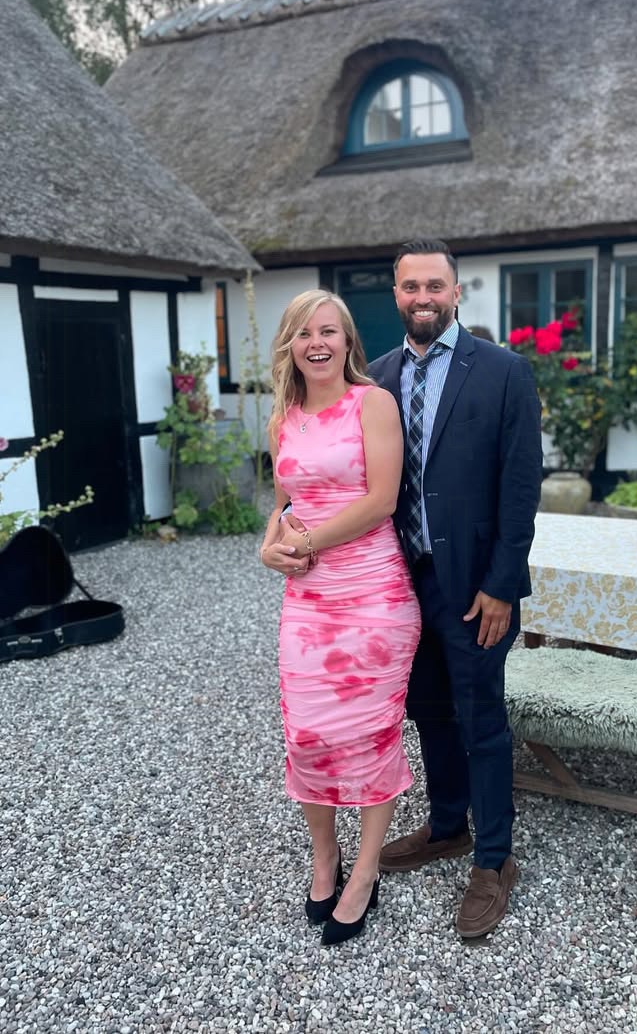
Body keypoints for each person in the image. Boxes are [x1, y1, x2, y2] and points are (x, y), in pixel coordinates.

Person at [368, 238, 543, 939]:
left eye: (434, 286)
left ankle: (494, 859)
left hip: (474, 588)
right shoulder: (375, 378)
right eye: (410, 287)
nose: (423, 298)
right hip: (399, 583)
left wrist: (503, 584)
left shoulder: (502, 372)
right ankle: (447, 827)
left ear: (456, 292)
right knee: (428, 711)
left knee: (481, 718)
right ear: (396, 295)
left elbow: (520, 488)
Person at [259, 290, 420, 948]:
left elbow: (382, 500)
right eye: (303, 333)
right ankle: (325, 858)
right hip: (308, 601)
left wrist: (307, 542)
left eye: (328, 331)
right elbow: (283, 506)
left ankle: (366, 871)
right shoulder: (282, 419)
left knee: (372, 736)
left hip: (375, 597)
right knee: (307, 737)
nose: (316, 343)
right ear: (290, 346)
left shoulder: (371, 403)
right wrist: (269, 546)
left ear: (347, 341)